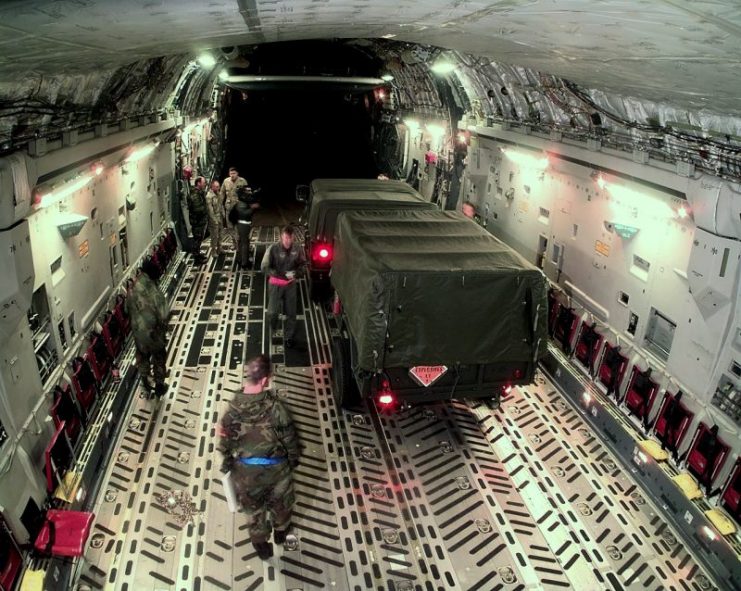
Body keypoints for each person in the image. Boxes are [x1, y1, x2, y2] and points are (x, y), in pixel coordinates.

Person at [218, 355, 299, 559]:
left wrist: (228, 464)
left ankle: (261, 546)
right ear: (265, 379)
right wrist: (292, 460)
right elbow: (291, 441)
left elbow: (224, 445)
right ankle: (281, 533)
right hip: (277, 471)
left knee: (254, 511)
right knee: (281, 506)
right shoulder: (277, 408)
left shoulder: (231, 412)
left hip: (246, 474)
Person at [126, 259, 169, 398]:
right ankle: (159, 385)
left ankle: (145, 381)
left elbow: (127, 310)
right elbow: (163, 312)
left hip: (138, 333)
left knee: (142, 356)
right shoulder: (152, 289)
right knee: (159, 355)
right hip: (153, 332)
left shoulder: (132, 288)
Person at [261, 226, 307, 348]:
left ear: (293, 238)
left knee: (291, 313)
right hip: (275, 284)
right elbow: (264, 266)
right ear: (282, 237)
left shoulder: (297, 249)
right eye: (285, 237)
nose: (287, 240)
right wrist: (276, 273)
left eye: (290, 238)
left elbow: (303, 265)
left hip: (290, 285)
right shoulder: (273, 249)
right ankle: (273, 330)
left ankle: (289, 337)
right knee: (272, 313)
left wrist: (296, 273)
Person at [230, 185, 260, 269]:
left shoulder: (244, 200)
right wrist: (252, 208)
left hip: (243, 224)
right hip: (243, 224)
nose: (250, 192)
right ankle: (244, 263)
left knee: (241, 243)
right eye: (248, 191)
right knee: (245, 244)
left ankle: (240, 259)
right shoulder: (241, 203)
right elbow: (245, 214)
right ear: (243, 192)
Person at [219, 167, 249, 249]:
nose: (232, 175)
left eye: (234, 173)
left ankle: (242, 243)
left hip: (239, 208)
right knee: (230, 227)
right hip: (229, 208)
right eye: (231, 173)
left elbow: (247, 194)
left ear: (237, 174)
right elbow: (222, 193)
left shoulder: (242, 181)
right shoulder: (226, 181)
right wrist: (219, 204)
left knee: (240, 226)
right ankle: (234, 243)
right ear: (229, 174)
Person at [187, 176, 209, 264]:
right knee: (197, 241)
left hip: (201, 221)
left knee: (199, 240)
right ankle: (197, 259)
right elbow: (198, 209)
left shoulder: (199, 193)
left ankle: (198, 254)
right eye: (203, 183)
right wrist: (206, 210)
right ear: (198, 183)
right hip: (197, 222)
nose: (205, 184)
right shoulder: (194, 195)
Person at [205, 179, 224, 256]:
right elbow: (210, 210)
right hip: (213, 218)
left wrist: (223, 213)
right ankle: (213, 251)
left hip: (220, 217)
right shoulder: (209, 196)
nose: (218, 188)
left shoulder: (218, 194)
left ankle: (220, 248)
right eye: (216, 187)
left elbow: (221, 204)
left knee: (220, 234)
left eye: (218, 186)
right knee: (214, 236)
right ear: (212, 187)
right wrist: (214, 220)